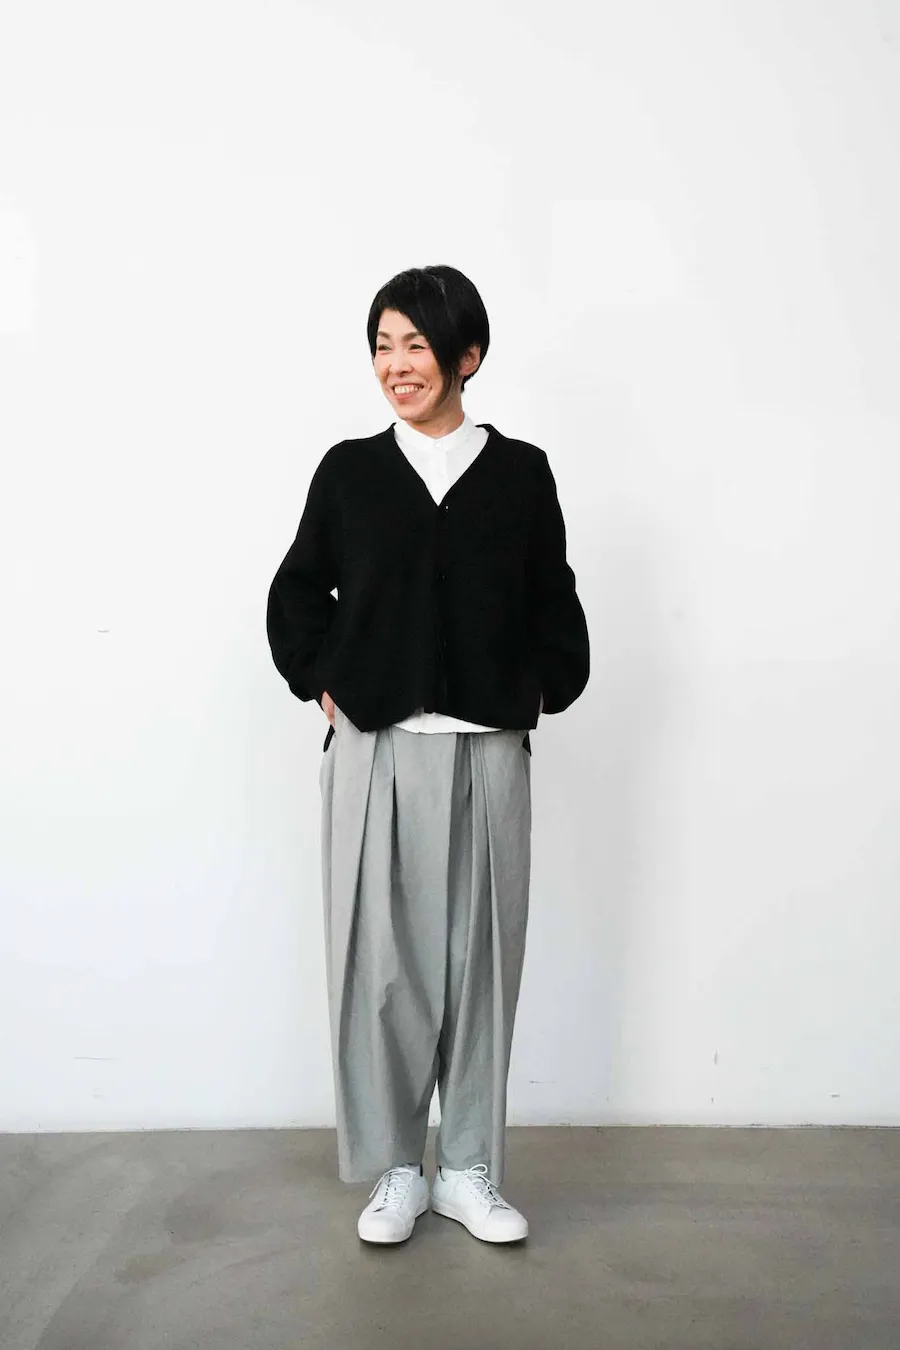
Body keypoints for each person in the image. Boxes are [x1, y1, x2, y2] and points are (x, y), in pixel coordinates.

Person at [267, 264, 589, 1245]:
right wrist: (322, 680)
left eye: (415, 345)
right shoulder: (350, 472)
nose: (395, 365)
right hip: (378, 754)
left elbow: (553, 599)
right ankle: (397, 1169)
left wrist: (540, 687)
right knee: (383, 971)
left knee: (480, 966)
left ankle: (468, 1167)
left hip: (487, 753)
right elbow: (296, 593)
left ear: (467, 357)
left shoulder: (520, 473)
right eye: (383, 345)